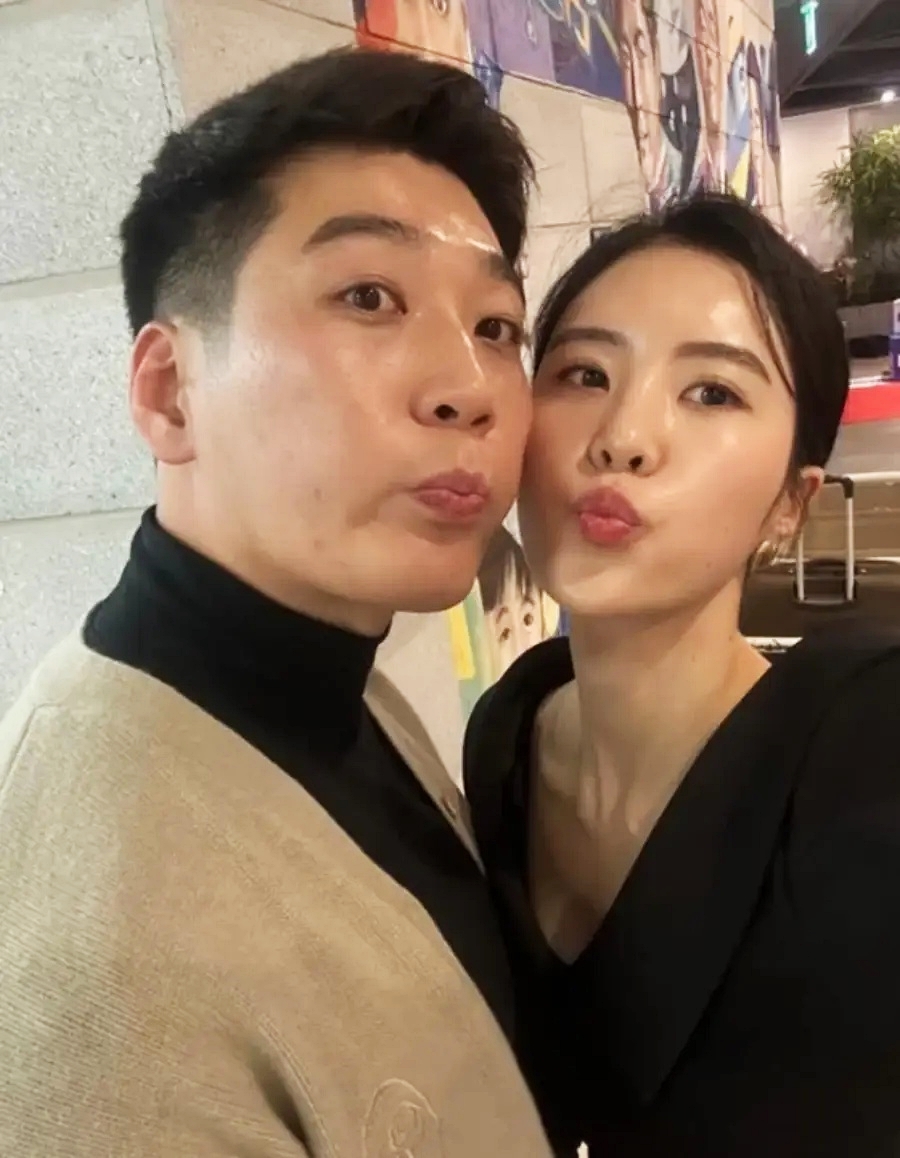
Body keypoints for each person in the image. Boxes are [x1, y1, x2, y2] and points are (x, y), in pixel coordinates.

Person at [0, 48, 555, 1158]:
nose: (469, 386)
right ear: (169, 393)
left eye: (496, 326)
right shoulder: (94, 962)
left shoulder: (337, 681)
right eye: (369, 297)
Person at [464, 191, 900, 1156]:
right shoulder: (507, 738)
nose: (623, 436)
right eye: (584, 373)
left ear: (791, 504)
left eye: (712, 393)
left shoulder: (867, 750)